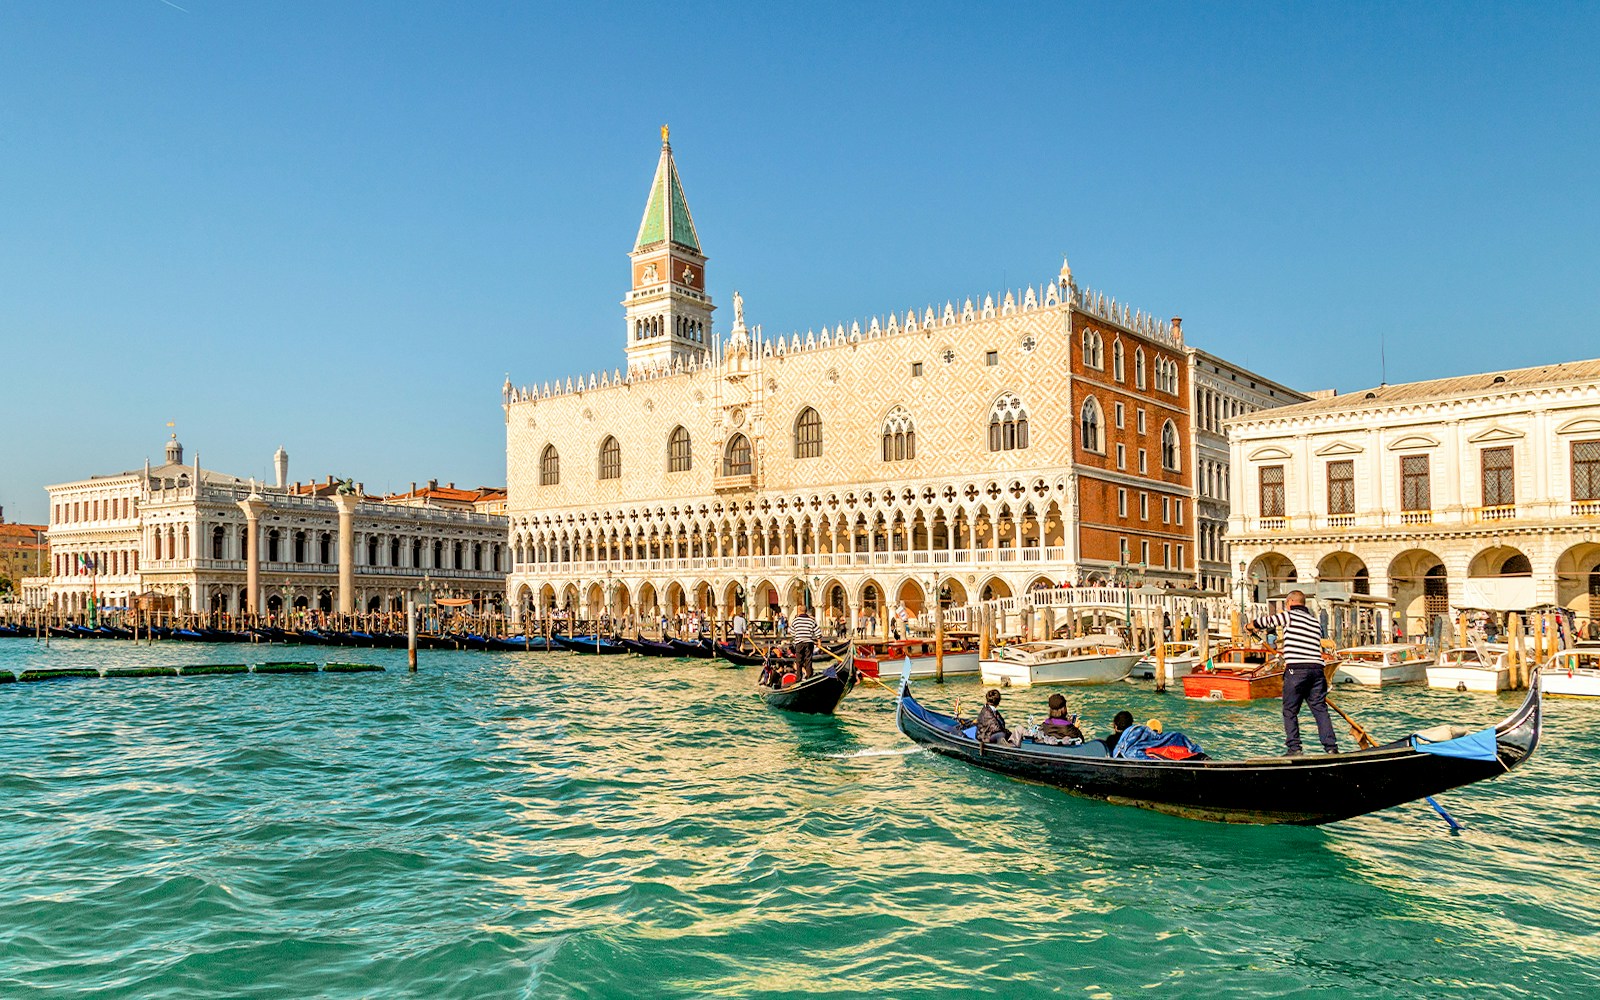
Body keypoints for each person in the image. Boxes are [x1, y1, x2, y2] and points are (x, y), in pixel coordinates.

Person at [1252, 590, 1339, 755]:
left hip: (1297, 670)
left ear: (1290, 602)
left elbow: (1265, 621)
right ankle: (1331, 748)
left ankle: (1294, 748)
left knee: (1290, 710)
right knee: (1320, 709)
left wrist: (1250, 626)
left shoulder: (1289, 615)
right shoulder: (1314, 622)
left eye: (1286, 603)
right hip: (1317, 670)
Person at [789, 605, 820, 679]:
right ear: (806, 611)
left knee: (799, 661)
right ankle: (809, 676)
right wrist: (819, 642)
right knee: (808, 660)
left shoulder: (795, 620)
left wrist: (797, 637)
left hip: (799, 643)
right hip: (809, 642)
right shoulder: (811, 620)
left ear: (799, 611)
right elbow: (818, 632)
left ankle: (799, 678)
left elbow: (791, 632)